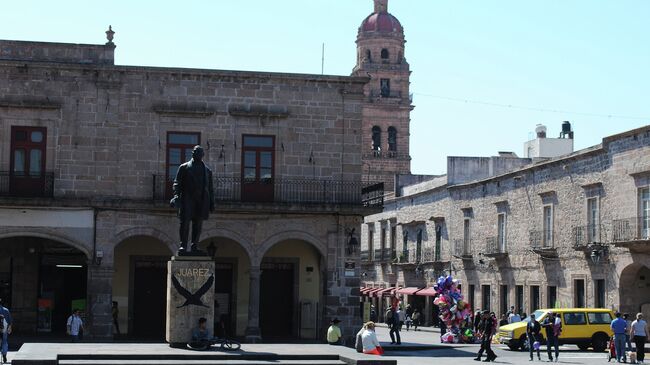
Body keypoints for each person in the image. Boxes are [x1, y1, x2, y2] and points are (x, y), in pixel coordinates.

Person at [170, 145, 215, 255]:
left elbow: (210, 188)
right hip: (187, 199)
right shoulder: (184, 167)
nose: (196, 154)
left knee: (198, 224)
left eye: (199, 153)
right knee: (184, 223)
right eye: (195, 152)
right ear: (192, 154)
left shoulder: (207, 171)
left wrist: (212, 203)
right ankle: (183, 246)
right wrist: (176, 195)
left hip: (201, 200)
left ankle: (194, 245)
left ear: (202, 155)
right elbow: (177, 183)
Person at [0, 299, 11, 364]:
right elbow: (9, 321)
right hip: (4, 328)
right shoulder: (6, 310)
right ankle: (4, 355)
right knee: (4, 341)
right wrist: (9, 328)